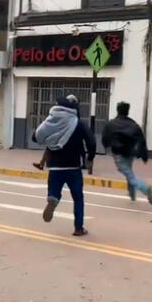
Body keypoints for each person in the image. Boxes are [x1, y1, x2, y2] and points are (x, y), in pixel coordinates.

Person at [32, 96, 96, 237]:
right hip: (73, 167)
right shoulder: (79, 124)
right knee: (78, 198)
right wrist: (90, 158)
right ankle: (78, 228)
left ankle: (53, 198)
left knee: (55, 191)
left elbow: (35, 137)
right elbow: (92, 141)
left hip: (55, 167)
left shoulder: (53, 121)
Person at [102, 102, 152, 205]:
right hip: (130, 153)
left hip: (118, 153)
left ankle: (146, 188)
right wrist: (144, 155)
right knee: (129, 171)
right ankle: (132, 195)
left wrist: (107, 146)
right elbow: (142, 140)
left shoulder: (111, 124)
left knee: (129, 175)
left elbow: (105, 138)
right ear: (128, 111)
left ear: (117, 110)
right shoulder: (133, 124)